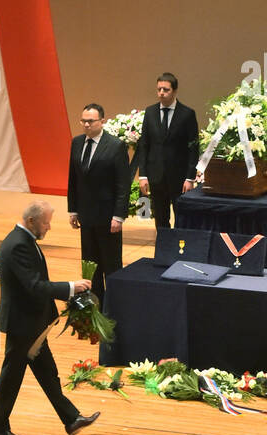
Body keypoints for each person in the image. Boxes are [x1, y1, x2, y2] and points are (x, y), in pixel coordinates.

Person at [0, 202, 100, 435]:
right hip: (22, 323)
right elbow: (35, 286)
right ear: (31, 221)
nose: (49, 227)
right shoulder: (18, 245)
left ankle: (71, 419)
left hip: (31, 322)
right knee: (12, 375)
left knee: (47, 373)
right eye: (46, 222)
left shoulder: (24, 240)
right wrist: (71, 288)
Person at [67, 102, 130, 307]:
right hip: (86, 215)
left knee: (111, 264)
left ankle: (114, 306)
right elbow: (73, 179)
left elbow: (123, 184)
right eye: (83, 121)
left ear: (102, 121)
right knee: (90, 264)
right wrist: (73, 209)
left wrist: (118, 216)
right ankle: (94, 304)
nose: (86, 125)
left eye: (90, 121)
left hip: (108, 216)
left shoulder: (115, 145)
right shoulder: (76, 143)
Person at [136, 73, 200, 230]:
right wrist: (143, 175)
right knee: (160, 219)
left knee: (182, 218)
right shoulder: (150, 112)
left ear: (175, 91)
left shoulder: (187, 114)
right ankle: (164, 250)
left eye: (166, 89)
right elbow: (144, 145)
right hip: (156, 175)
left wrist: (190, 178)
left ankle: (180, 251)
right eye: (159, 89)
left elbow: (193, 149)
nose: (161, 93)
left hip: (179, 177)